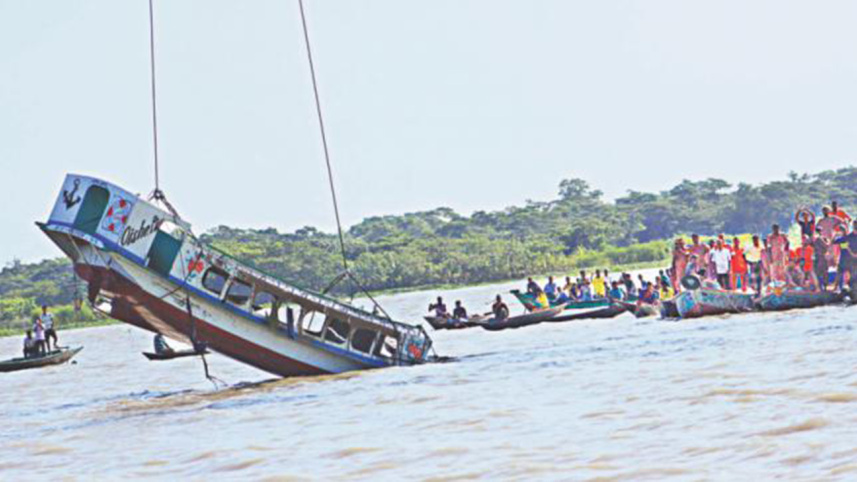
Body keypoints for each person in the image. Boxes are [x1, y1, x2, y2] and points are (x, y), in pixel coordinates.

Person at [832, 220, 857, 291]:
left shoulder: (847, 237)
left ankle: (850, 289)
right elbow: (842, 245)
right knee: (841, 273)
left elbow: (843, 246)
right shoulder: (847, 237)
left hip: (850, 259)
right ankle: (837, 288)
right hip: (846, 259)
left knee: (850, 274)